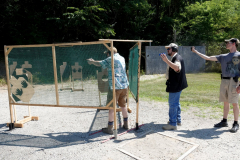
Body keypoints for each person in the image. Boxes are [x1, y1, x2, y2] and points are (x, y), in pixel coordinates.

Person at [191, 38, 240, 133]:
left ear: (233, 43)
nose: (226, 44)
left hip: (234, 82)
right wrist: (195, 51)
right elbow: (208, 58)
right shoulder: (223, 56)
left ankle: (235, 123)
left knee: (234, 102)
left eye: (228, 42)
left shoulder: (239, 55)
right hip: (224, 81)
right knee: (225, 102)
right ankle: (224, 121)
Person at [87, 47, 129, 134]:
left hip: (115, 86)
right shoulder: (122, 58)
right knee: (123, 105)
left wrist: (92, 62)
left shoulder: (111, 59)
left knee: (111, 107)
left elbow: (100, 63)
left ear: (109, 54)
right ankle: (126, 124)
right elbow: (105, 62)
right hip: (124, 85)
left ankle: (110, 128)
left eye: (107, 54)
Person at [160, 43, 188, 130]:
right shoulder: (175, 57)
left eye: (169, 49)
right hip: (177, 84)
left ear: (174, 49)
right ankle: (177, 120)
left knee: (173, 104)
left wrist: (166, 61)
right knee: (176, 103)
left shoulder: (177, 58)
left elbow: (177, 68)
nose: (167, 50)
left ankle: (173, 123)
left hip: (175, 85)